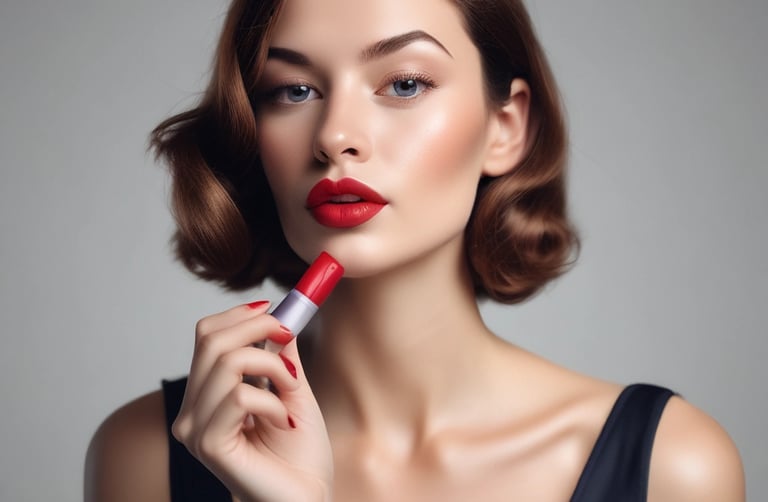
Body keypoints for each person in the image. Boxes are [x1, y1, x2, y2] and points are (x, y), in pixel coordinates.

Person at [84, 0, 745, 500]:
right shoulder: (144, 457)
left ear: (505, 127)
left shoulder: (672, 466)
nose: (335, 136)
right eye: (294, 90)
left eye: (404, 83)